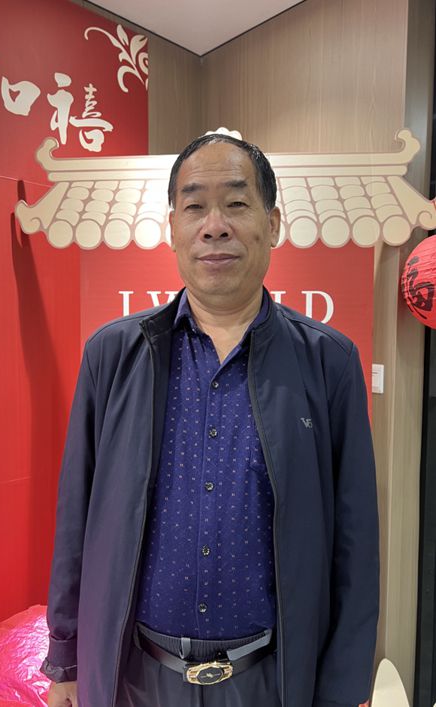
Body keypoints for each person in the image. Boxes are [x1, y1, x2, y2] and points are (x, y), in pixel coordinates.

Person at [42, 133, 379, 707]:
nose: (214, 226)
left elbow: (355, 542)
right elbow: (77, 518)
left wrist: (344, 688)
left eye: (237, 204)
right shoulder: (112, 354)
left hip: (270, 681)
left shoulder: (329, 362)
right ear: (173, 226)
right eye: (195, 206)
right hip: (136, 678)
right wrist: (66, 659)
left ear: (272, 224)